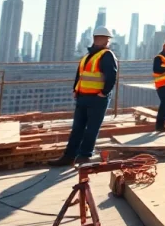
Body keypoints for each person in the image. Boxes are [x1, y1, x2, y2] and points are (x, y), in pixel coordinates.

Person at [49, 27, 118, 166]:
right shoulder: (87, 56)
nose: (99, 40)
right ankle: (69, 156)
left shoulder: (107, 55)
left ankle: (85, 156)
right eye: (97, 38)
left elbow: (111, 76)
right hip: (83, 97)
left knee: (91, 128)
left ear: (106, 41)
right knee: (77, 128)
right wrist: (76, 89)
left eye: (101, 38)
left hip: (97, 99)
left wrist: (103, 93)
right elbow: (80, 75)